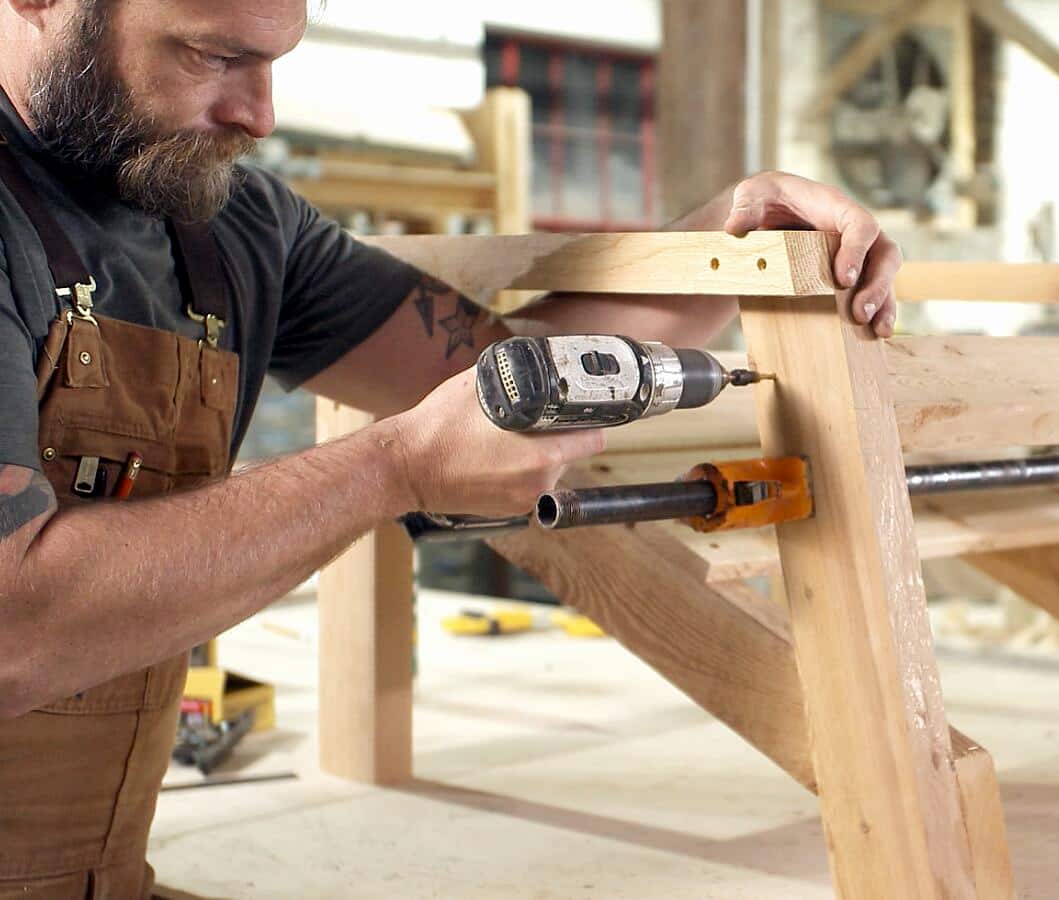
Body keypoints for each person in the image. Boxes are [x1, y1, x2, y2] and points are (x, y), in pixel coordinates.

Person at [0, 0, 903, 894]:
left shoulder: (234, 229)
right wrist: (391, 468)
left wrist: (726, 238)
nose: (260, 115)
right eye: (211, 56)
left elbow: (501, 374)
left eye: (273, 61)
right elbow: (13, 632)